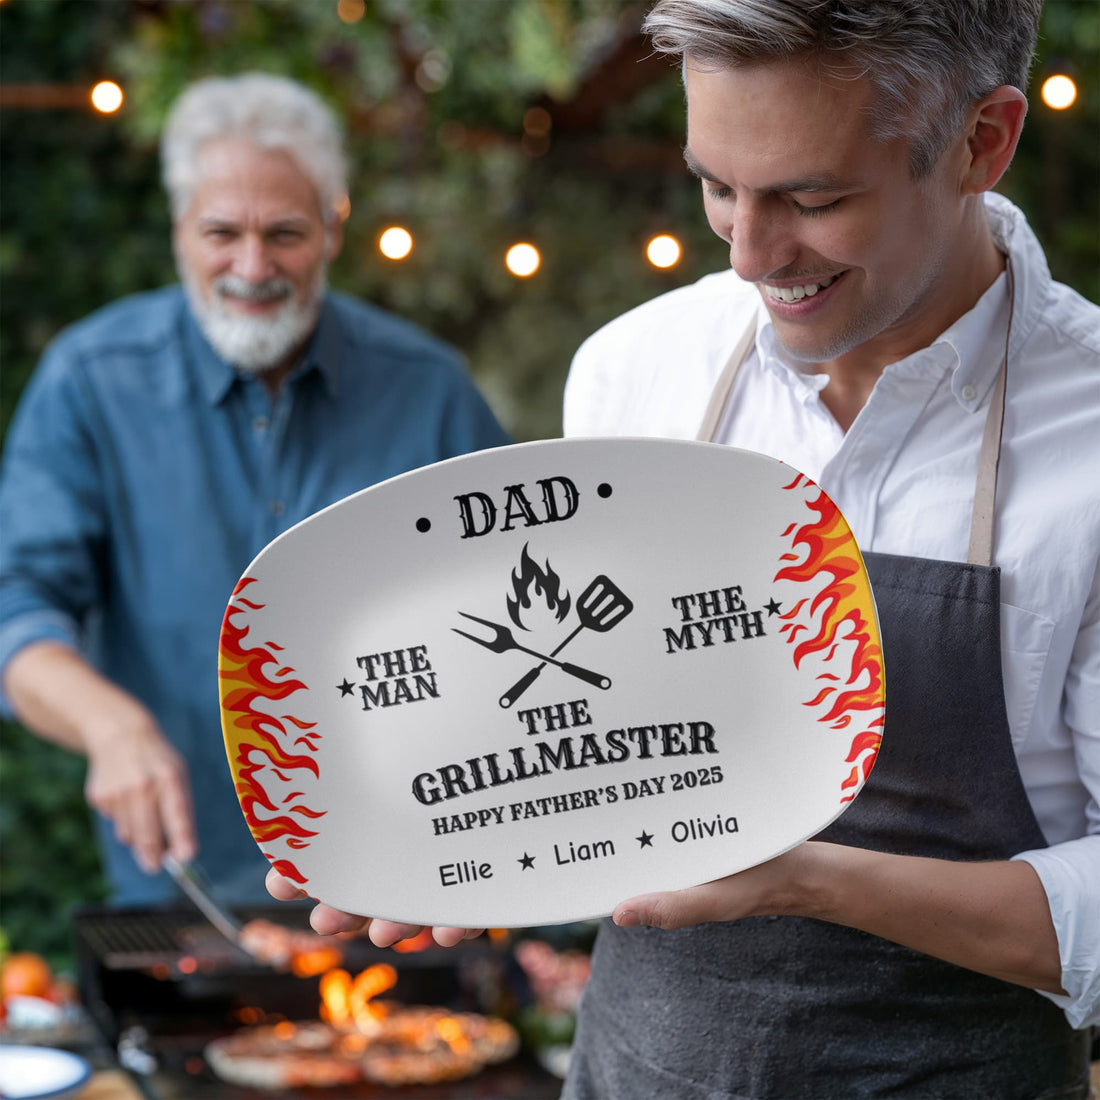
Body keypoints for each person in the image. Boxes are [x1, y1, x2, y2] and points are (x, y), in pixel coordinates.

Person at [268, 1, 1100, 1096]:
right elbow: (599, 754)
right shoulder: (638, 368)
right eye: (715, 185)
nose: (751, 255)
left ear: (980, 143)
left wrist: (803, 879)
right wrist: (473, 836)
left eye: (812, 198)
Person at [0, 73, 510, 907]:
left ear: (335, 228)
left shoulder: (432, 391)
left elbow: (515, 601)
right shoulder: (90, 381)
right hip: (178, 891)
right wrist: (108, 724)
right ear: (178, 231)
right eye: (221, 232)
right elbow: (17, 610)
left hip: (404, 882)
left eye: (285, 233)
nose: (252, 265)